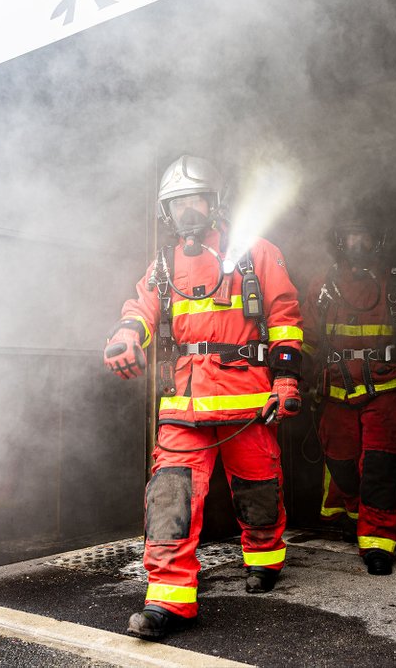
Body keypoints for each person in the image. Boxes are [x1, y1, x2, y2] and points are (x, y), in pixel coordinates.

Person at [103, 155, 304, 640]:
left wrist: (286, 381)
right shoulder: (163, 265)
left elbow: (285, 317)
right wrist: (127, 336)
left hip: (248, 404)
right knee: (169, 496)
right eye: (177, 204)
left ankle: (264, 558)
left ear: (216, 202)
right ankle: (167, 598)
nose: (188, 211)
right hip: (185, 406)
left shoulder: (256, 252)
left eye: (195, 199)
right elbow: (141, 310)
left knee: (259, 489)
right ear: (166, 213)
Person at [301, 209, 396, 575]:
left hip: (385, 393)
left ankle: (377, 542)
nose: (358, 243)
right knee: (341, 466)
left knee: (381, 469)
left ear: (378, 240)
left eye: (365, 236)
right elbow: (304, 338)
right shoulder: (322, 285)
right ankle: (354, 519)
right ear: (340, 240)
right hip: (335, 393)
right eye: (351, 236)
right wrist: (286, 378)